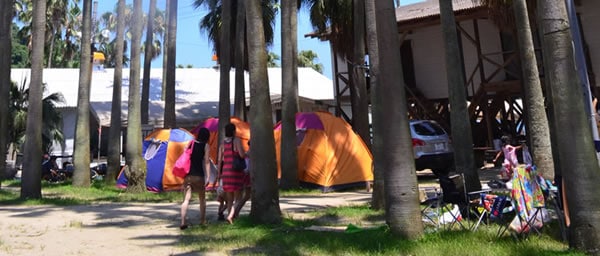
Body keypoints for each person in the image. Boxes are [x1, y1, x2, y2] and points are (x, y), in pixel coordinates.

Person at [180, 127, 211, 230]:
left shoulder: (191, 143)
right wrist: (208, 176)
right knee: (202, 199)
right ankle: (202, 221)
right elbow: (206, 161)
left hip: (188, 175)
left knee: (186, 200)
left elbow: (185, 154)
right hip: (199, 175)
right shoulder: (206, 146)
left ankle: (183, 221)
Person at [217, 123, 246, 224]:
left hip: (225, 172)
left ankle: (231, 218)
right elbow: (242, 155)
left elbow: (220, 160)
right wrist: (246, 153)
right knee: (238, 197)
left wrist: (218, 174)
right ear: (234, 131)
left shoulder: (222, 144)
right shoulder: (236, 141)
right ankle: (230, 216)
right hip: (235, 172)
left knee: (229, 199)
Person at [233, 140, 252, 218]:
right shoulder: (250, 153)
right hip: (248, 176)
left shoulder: (247, 153)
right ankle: (235, 212)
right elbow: (248, 166)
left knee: (246, 196)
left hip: (246, 175)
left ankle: (235, 212)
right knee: (246, 196)